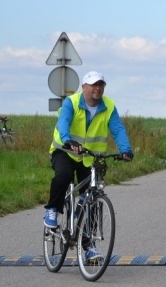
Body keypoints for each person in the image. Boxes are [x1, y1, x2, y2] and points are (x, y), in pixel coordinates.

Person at [44, 71, 133, 260]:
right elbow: (64, 122)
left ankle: (89, 245)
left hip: (89, 157)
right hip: (65, 150)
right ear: (84, 87)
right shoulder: (72, 102)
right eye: (93, 85)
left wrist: (125, 149)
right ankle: (53, 209)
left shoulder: (108, 106)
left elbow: (117, 129)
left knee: (93, 197)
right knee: (64, 175)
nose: (97, 88)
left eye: (101, 85)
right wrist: (68, 140)